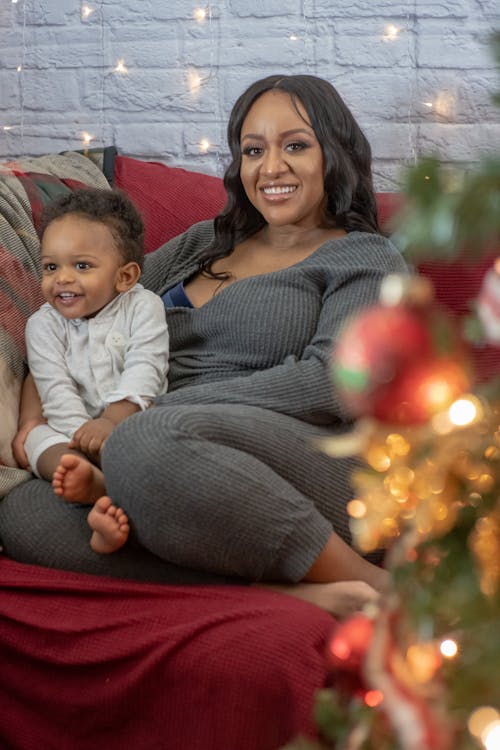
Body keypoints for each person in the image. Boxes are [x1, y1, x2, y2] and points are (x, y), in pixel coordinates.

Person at [3, 74, 409, 617]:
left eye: (295, 145)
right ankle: (288, 593)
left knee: (144, 444)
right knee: (27, 510)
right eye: (253, 150)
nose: (271, 168)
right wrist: (37, 420)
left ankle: (368, 582)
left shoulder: (365, 257)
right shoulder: (206, 241)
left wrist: (148, 413)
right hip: (154, 449)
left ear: (335, 154)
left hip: (307, 453)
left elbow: (331, 383)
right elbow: (80, 312)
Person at [20, 188, 169, 554]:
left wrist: (112, 422)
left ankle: (114, 493)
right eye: (51, 266)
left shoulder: (143, 307)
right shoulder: (42, 326)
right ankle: (89, 482)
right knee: (35, 440)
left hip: (133, 419)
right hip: (71, 429)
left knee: (160, 440)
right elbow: (54, 389)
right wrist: (81, 441)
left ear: (124, 277)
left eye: (81, 266)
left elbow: (146, 367)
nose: (62, 279)